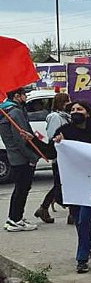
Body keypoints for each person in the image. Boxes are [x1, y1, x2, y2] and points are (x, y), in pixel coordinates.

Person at [54, 101, 91, 273]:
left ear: (87, 113)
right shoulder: (64, 131)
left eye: (79, 109)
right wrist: (33, 140)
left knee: (85, 218)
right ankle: (87, 245)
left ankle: (81, 258)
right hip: (71, 184)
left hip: (89, 182)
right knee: (78, 219)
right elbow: (51, 152)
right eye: (72, 110)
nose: (75, 112)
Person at [0, 87, 39, 231]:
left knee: (21, 189)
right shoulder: (15, 112)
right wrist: (33, 157)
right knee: (22, 189)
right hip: (21, 158)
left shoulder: (9, 110)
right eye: (24, 95)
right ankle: (14, 219)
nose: (26, 97)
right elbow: (21, 139)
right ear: (17, 96)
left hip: (15, 156)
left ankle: (15, 217)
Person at [34, 93, 72, 224]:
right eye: (67, 101)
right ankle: (46, 207)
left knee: (64, 184)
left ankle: (44, 208)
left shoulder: (66, 116)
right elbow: (54, 135)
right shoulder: (55, 117)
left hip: (68, 156)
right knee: (61, 184)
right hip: (60, 155)